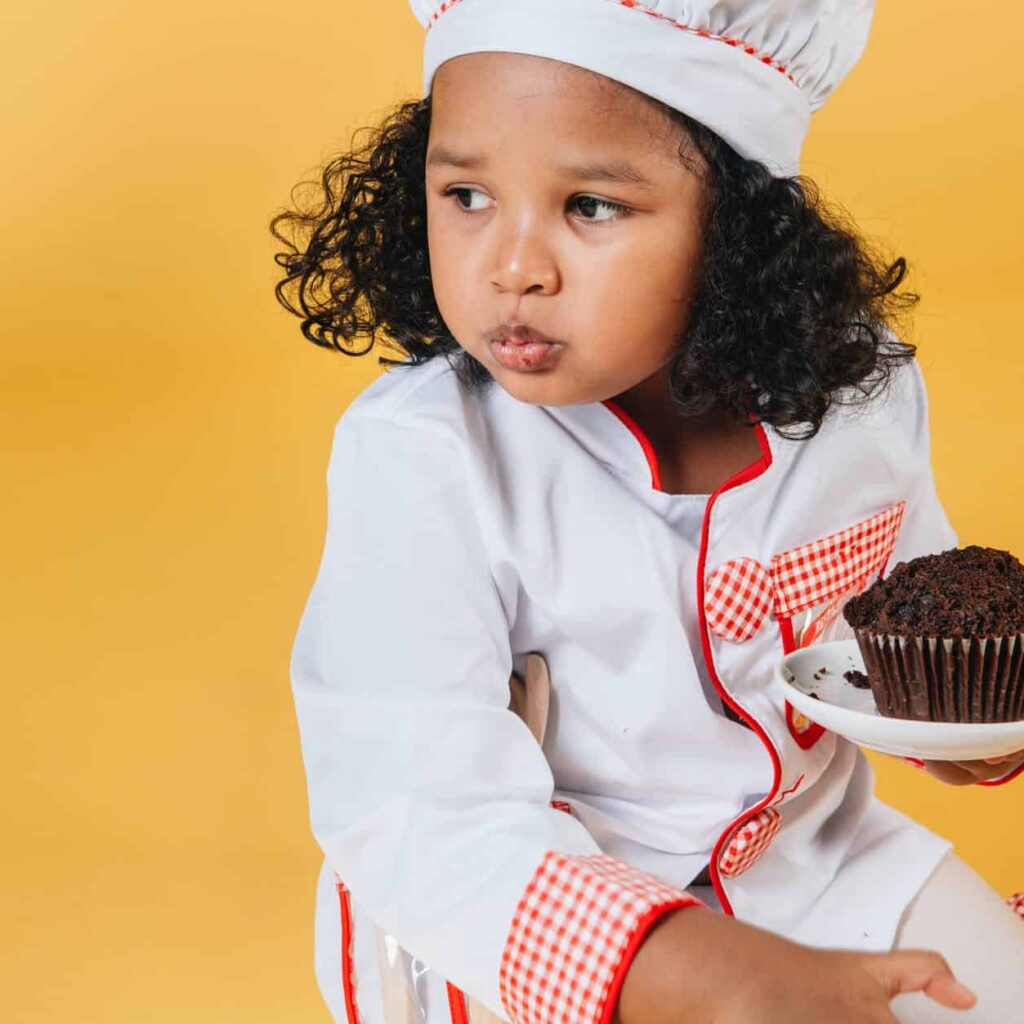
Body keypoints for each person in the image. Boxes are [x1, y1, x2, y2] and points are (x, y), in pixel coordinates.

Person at [272, 2, 1024, 1022]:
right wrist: (708, 976)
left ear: (738, 227)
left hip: (816, 868)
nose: (512, 265)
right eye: (465, 195)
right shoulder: (422, 453)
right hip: (520, 910)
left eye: (588, 206)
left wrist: (966, 729)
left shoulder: (859, 395)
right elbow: (415, 801)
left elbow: (899, 634)